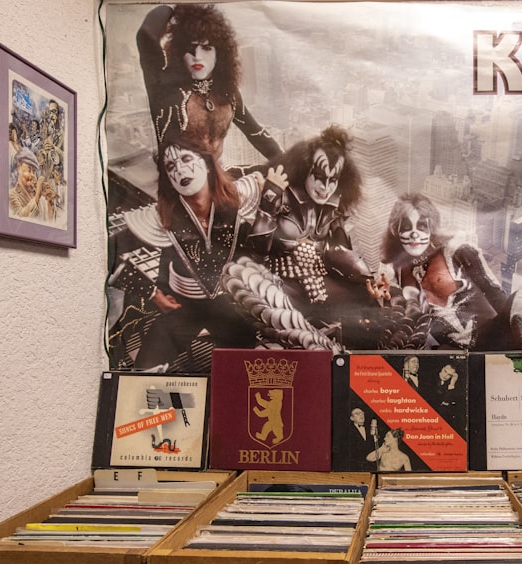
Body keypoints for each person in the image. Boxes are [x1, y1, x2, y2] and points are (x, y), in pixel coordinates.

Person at [126, 131, 268, 371]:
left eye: (186, 160)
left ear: (207, 163)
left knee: (249, 376)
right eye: (170, 166)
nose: (179, 171)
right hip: (184, 307)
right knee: (144, 374)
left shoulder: (240, 198)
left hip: (231, 307)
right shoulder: (160, 216)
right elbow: (114, 253)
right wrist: (152, 293)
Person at [248, 125, 380, 347]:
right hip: (281, 281)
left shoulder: (334, 207)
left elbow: (342, 253)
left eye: (333, 179)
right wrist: (269, 200)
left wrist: (367, 280)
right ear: (304, 169)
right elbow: (257, 251)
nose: (324, 187)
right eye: (318, 176)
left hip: (319, 282)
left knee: (366, 303)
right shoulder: (281, 196)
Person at [376, 193, 522, 351]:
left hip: (490, 339)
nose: (414, 234)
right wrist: (383, 297)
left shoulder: (458, 251)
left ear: (432, 228)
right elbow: (405, 314)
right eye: (406, 227)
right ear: (395, 230)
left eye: (421, 226)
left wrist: (509, 333)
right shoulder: (395, 269)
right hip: (451, 352)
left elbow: (495, 294)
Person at [136, 3, 281, 173]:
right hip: (179, 186)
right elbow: (146, 35)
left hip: (216, 180)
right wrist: (174, 9)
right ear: (179, 52)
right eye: (189, 48)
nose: (197, 56)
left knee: (269, 174)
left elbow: (255, 134)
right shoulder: (165, 89)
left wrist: (288, 164)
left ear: (219, 53)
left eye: (206, 48)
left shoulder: (227, 93)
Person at [8, 147, 53, 221]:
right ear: (19, 167)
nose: (32, 175)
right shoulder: (11, 194)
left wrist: (49, 201)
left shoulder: (38, 195)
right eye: (29, 170)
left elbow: (49, 222)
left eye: (34, 171)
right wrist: (37, 195)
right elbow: (19, 218)